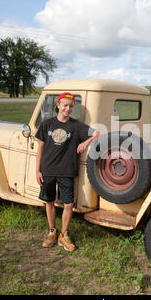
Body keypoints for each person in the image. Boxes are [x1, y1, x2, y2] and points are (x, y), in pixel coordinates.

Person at [35, 92, 100, 251]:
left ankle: (64, 234)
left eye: (71, 106)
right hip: (48, 169)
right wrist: (37, 170)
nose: (68, 108)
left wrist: (86, 141)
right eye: (64, 105)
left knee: (68, 204)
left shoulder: (76, 126)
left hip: (67, 171)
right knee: (49, 201)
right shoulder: (47, 124)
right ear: (58, 105)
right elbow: (40, 148)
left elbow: (97, 133)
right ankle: (52, 231)